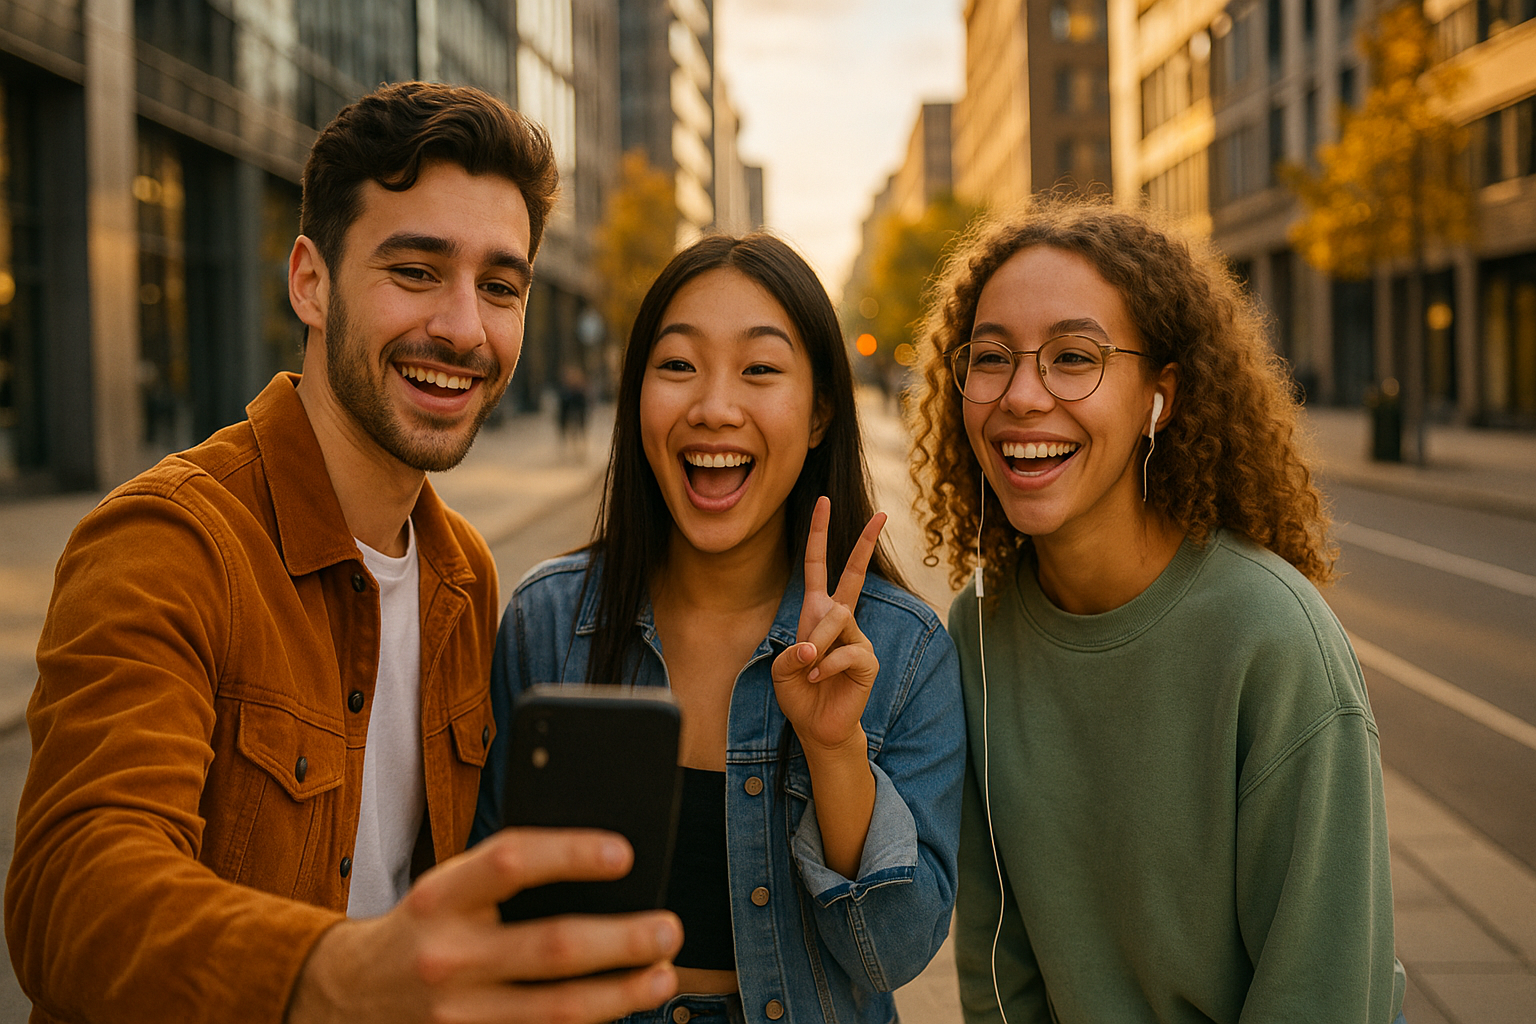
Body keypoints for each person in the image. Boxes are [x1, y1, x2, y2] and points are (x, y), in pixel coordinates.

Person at [5, 82, 682, 1024]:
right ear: (310, 282)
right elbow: (72, 894)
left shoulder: (465, 574)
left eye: (500, 286)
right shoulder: (167, 542)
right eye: (415, 270)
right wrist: (332, 973)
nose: (463, 327)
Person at [908, 201, 1407, 1024]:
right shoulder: (979, 630)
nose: (1022, 396)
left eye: (1075, 357)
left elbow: (1321, 990)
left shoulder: (1273, 642)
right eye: (990, 358)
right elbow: (1001, 965)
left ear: (1159, 399)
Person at [473, 233, 966, 1024]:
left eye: (761, 369)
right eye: (678, 366)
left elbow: (893, 952)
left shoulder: (903, 652)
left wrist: (836, 752)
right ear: (636, 397)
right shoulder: (547, 621)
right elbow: (491, 914)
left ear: (819, 414)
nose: (714, 407)